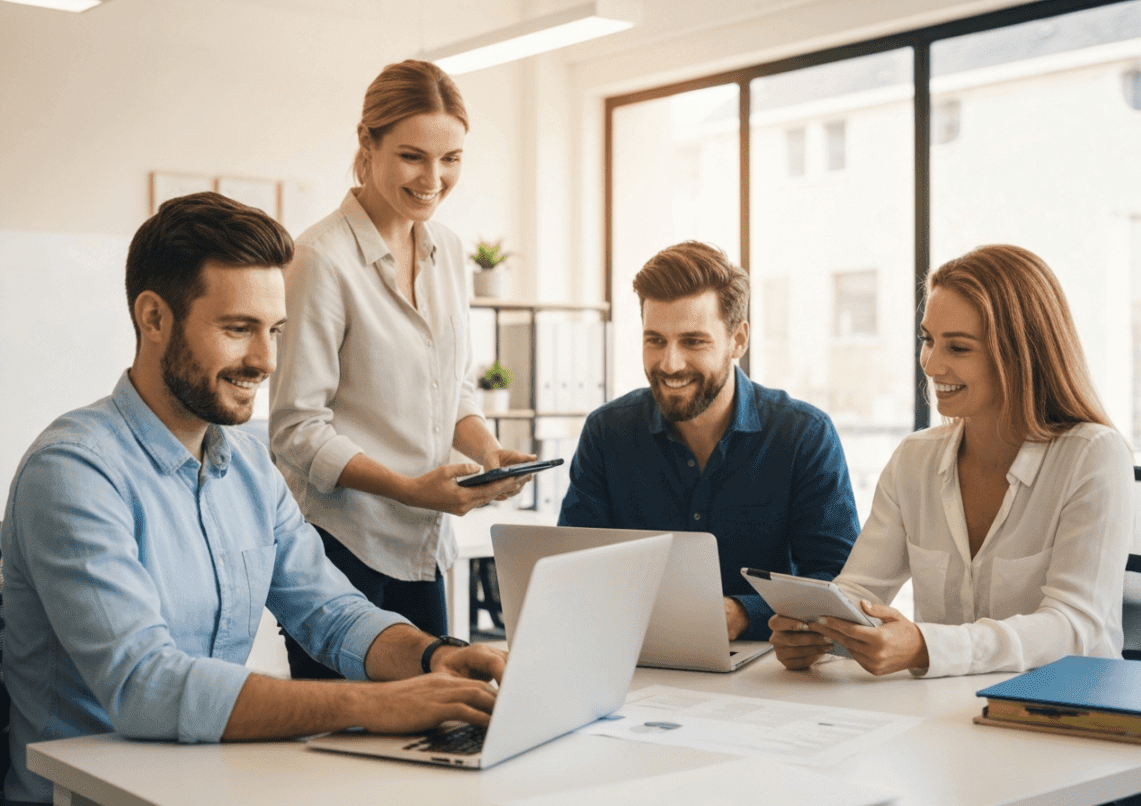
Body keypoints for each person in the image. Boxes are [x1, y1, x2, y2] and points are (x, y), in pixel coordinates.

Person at [0, 193, 506, 805]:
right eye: (238, 329)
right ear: (154, 318)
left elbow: (332, 613)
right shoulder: (73, 471)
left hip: (208, 785)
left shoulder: (246, 461)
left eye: (275, 331)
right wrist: (376, 705)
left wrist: (434, 659)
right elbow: (146, 686)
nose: (265, 361)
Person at [269, 60, 532, 679]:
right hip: (340, 546)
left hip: (422, 543)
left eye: (452, 159)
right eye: (413, 156)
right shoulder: (319, 260)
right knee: (344, 741)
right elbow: (295, 429)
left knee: (432, 722)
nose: (433, 179)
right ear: (368, 143)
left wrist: (488, 451)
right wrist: (410, 488)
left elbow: (453, 387)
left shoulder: (449, 252)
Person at [770, 244, 1133, 678]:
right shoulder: (914, 459)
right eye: (928, 340)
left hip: (1068, 714)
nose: (932, 364)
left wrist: (927, 646)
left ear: (1021, 354)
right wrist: (817, 632)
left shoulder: (1093, 456)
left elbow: (1073, 627)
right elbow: (860, 591)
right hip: (946, 715)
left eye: (958, 348)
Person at [559, 241, 860, 641]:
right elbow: (574, 567)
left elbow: (836, 579)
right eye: (655, 340)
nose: (670, 364)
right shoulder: (606, 432)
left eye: (693, 341)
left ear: (738, 340)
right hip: (637, 660)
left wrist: (742, 613)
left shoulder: (803, 434)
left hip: (769, 668)